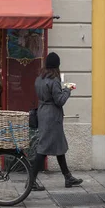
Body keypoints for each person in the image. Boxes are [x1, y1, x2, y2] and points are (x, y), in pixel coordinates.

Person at [30, 52, 83, 191]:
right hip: (52, 116)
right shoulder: (54, 80)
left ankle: (68, 177)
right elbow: (60, 101)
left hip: (43, 112)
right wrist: (67, 90)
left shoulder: (39, 78)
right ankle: (31, 181)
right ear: (57, 66)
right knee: (43, 149)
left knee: (59, 146)